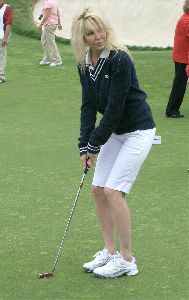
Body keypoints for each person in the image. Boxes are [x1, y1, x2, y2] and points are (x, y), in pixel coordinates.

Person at [71, 7, 156, 279]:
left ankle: (127, 259)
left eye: (100, 30)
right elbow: (87, 106)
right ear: (82, 38)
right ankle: (109, 251)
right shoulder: (85, 63)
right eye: (91, 33)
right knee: (97, 189)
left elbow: (115, 109)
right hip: (114, 133)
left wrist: (95, 143)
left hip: (137, 131)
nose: (98, 36)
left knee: (113, 191)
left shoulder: (119, 59)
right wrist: (84, 145)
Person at [165, 0, 189, 118]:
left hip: (182, 56)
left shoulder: (185, 18)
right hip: (183, 58)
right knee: (179, 85)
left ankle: (172, 109)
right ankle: (172, 110)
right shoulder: (186, 20)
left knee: (180, 84)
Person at [37, 0, 62, 67]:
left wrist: (40, 25)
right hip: (51, 24)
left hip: (49, 25)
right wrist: (59, 23)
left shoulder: (48, 3)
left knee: (51, 42)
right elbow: (57, 13)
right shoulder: (53, 1)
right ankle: (48, 59)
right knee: (44, 40)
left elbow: (46, 16)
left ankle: (57, 60)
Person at [0, 0, 12, 84]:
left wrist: (5, 38)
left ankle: (1, 75)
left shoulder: (7, 8)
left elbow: (9, 23)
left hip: (2, 36)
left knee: (2, 55)